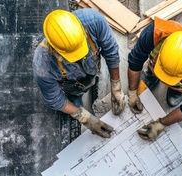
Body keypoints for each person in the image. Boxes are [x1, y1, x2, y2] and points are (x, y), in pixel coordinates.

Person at [33, 8, 123, 138]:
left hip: (92, 70)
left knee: (94, 77)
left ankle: (92, 82)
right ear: (55, 49)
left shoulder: (94, 21)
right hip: (72, 86)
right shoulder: (43, 64)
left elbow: (111, 52)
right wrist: (86, 118)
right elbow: (55, 99)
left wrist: (116, 86)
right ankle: (77, 102)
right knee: (75, 102)